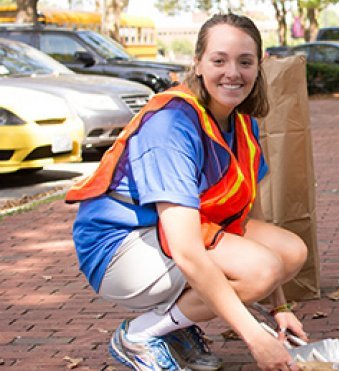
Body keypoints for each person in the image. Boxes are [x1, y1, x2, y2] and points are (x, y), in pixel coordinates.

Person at [66, 13, 308, 371]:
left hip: (184, 229)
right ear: (197, 63)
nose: (233, 72)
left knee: (289, 252)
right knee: (259, 269)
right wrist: (255, 337)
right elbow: (187, 250)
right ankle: (142, 334)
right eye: (219, 60)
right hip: (121, 246)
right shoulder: (171, 124)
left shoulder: (243, 121)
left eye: (245, 61)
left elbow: (246, 213)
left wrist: (280, 307)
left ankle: (174, 327)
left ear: (260, 65)